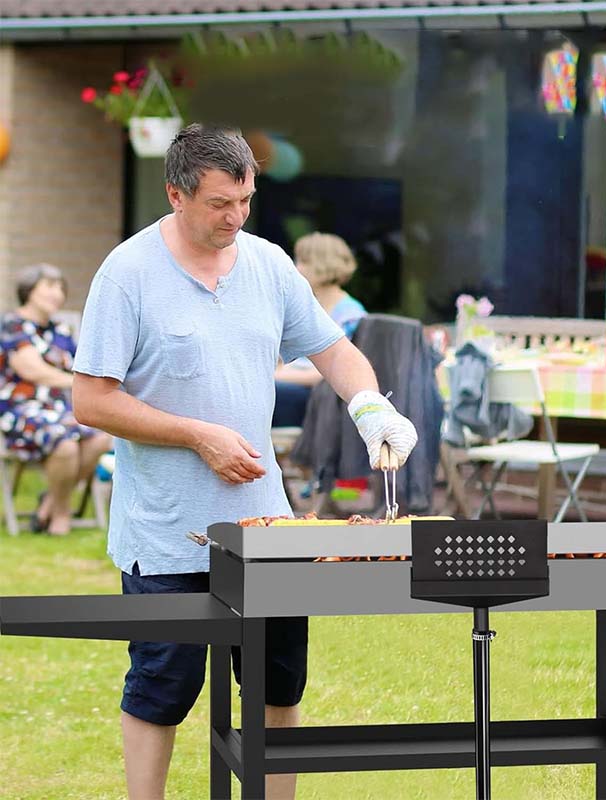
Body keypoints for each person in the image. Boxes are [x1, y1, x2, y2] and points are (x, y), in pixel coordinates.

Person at [71, 124, 417, 800]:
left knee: (277, 681)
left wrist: (372, 407)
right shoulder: (128, 274)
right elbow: (91, 401)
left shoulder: (268, 265)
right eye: (220, 204)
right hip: (166, 530)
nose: (236, 217)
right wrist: (198, 435)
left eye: (246, 200)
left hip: (264, 529)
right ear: (176, 194)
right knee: (162, 686)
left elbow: (335, 352)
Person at [0, 263, 111, 535]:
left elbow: (83, 366)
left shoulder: (61, 330)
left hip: (59, 409)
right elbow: (31, 369)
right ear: (29, 290)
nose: (57, 293)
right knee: (66, 444)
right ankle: (61, 514)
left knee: (100, 438)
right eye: (50, 286)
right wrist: (76, 383)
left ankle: (50, 502)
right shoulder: (12, 325)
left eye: (61, 288)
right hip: (20, 410)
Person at [272, 231, 366, 427]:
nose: (296, 268)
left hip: (321, 398)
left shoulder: (351, 314)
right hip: (298, 384)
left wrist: (274, 375)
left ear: (322, 265)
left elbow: (330, 371)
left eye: (303, 262)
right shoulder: (310, 306)